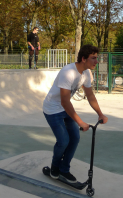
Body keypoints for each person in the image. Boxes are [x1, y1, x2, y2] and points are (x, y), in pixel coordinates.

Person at [42, 44, 108, 183]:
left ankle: (64, 169)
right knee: (63, 141)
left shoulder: (86, 74)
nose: (97, 61)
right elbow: (65, 102)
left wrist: (100, 114)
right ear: (84, 59)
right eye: (93, 58)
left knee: (75, 138)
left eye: (97, 58)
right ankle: (55, 167)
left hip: (64, 110)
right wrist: (80, 122)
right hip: (53, 110)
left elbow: (90, 96)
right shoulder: (68, 72)